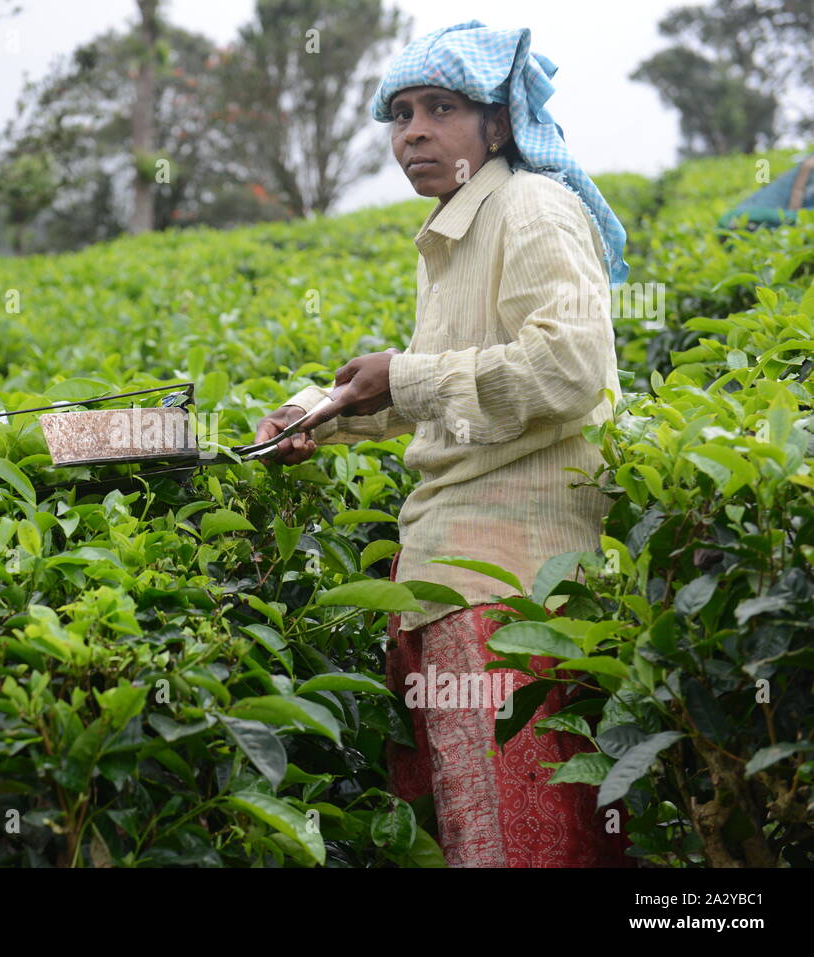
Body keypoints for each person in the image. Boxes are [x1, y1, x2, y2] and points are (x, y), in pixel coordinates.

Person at [254, 20, 635, 867]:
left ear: (497, 125)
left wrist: (406, 379)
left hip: (505, 580)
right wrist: (319, 413)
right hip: (448, 574)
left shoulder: (530, 208)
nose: (413, 131)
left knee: (512, 837)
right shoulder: (459, 228)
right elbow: (441, 380)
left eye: (441, 108)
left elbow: (568, 367)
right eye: (400, 113)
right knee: (474, 833)